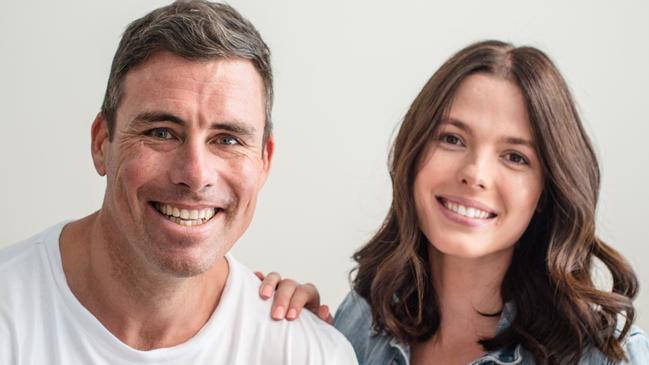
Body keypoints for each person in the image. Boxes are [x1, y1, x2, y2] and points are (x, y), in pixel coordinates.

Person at [0, 1, 358, 364]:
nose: (195, 174)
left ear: (264, 161)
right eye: (161, 132)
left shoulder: (308, 354)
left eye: (228, 139)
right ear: (100, 143)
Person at [259, 40, 649, 364]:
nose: (475, 173)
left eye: (515, 157)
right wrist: (298, 343)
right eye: (452, 139)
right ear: (412, 155)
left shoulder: (607, 354)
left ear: (546, 190)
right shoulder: (364, 317)